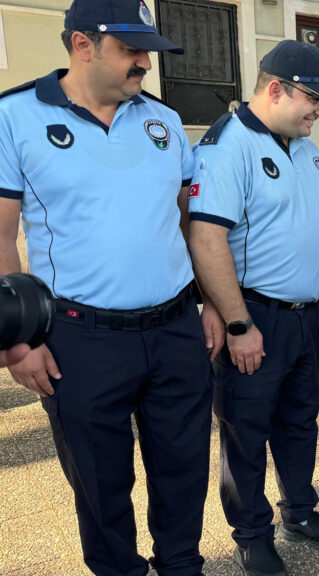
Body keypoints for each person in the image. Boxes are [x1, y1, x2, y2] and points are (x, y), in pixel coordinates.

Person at [0, 1, 216, 573]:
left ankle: (181, 567)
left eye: (147, 50)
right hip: (79, 339)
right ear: (82, 45)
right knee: (100, 485)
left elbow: (188, 220)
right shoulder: (15, 116)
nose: (144, 62)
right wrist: (15, 341)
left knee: (184, 469)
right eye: (131, 49)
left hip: (174, 329)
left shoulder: (163, 121)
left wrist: (214, 304)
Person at [188, 40, 319, 576]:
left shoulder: (307, 149)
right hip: (256, 317)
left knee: (299, 422)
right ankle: (251, 534)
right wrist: (237, 321)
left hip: (307, 316)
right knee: (246, 428)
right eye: (314, 99)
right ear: (274, 89)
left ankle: (301, 513)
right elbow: (206, 238)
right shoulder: (227, 147)